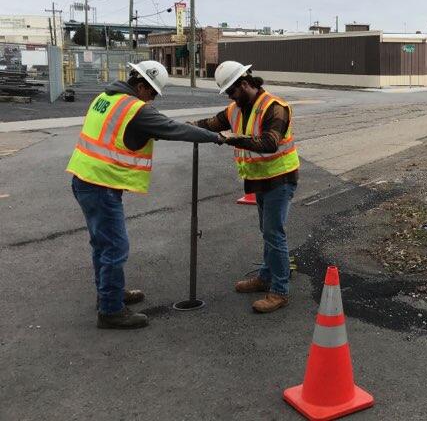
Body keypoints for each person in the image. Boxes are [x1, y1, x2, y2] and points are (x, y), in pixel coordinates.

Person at [66, 61, 229, 330]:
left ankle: (110, 294)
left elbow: (134, 131)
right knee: (115, 248)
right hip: (100, 186)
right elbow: (173, 128)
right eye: (152, 94)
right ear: (141, 86)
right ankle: (110, 311)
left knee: (103, 246)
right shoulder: (135, 109)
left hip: (86, 179)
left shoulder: (106, 98)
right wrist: (215, 137)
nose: (152, 100)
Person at [191, 60, 299, 314]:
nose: (230, 96)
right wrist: (178, 128)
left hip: (280, 179)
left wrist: (232, 139)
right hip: (260, 179)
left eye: (231, 91)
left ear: (245, 83)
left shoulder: (275, 108)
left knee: (274, 233)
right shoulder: (235, 109)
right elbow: (209, 124)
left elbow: (269, 143)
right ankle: (265, 276)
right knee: (267, 231)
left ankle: (280, 290)